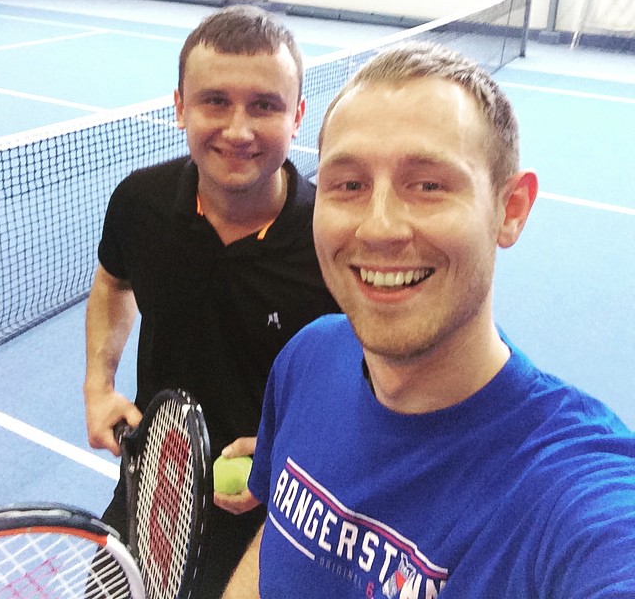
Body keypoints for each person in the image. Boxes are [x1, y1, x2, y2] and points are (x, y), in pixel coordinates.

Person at [221, 41, 635, 598]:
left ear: (511, 209)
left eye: (429, 185)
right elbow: (278, 533)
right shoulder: (308, 357)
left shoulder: (569, 491)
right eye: (349, 185)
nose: (379, 228)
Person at [83, 5, 339, 598]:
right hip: (156, 482)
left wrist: (288, 455)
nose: (238, 130)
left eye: (265, 105)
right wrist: (99, 385)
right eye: (215, 101)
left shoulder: (332, 238)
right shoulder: (140, 203)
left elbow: (373, 381)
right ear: (179, 108)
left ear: (298, 116)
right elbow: (113, 282)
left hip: (286, 508)